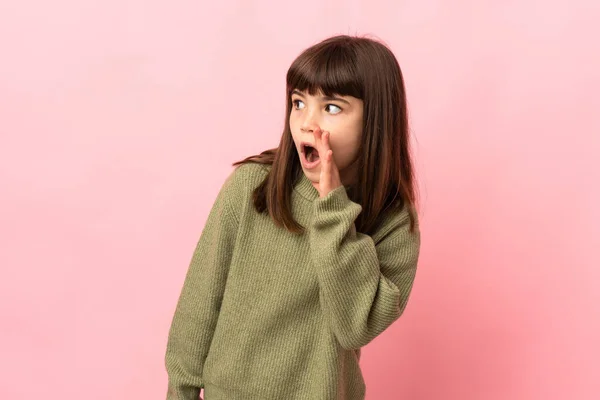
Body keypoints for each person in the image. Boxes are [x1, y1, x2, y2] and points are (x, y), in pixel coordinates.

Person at [165, 34, 421, 400]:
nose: (306, 123)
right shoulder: (253, 186)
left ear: (376, 120)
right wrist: (181, 391)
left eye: (332, 108)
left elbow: (354, 327)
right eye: (298, 102)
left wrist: (332, 206)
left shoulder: (394, 222)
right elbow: (200, 301)